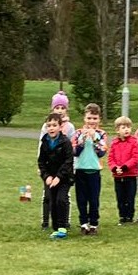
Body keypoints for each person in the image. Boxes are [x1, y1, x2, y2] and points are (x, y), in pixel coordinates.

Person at [40, 91, 77, 229]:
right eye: (49, 126)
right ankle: (54, 226)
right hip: (50, 174)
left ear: (60, 127)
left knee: (62, 199)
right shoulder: (45, 141)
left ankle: (63, 224)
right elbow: (41, 160)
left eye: (54, 125)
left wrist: (59, 177)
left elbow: (68, 160)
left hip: (64, 176)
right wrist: (46, 175)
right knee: (50, 199)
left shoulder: (65, 141)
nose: (51, 128)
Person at [72, 103, 108, 236]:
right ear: (84, 118)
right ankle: (83, 223)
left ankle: (93, 223)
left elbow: (101, 152)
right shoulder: (78, 133)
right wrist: (83, 139)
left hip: (94, 171)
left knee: (94, 199)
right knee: (81, 199)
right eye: (89, 118)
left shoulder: (101, 134)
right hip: (80, 170)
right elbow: (75, 151)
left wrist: (94, 139)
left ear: (99, 119)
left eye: (94, 118)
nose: (91, 121)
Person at [108, 116, 138, 224]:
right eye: (123, 127)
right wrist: (114, 168)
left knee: (130, 197)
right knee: (120, 197)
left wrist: (124, 167)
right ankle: (122, 216)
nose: (126, 129)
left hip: (130, 175)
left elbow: (135, 157)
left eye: (128, 127)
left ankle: (129, 216)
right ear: (117, 130)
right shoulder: (114, 143)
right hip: (118, 176)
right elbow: (110, 158)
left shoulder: (134, 142)